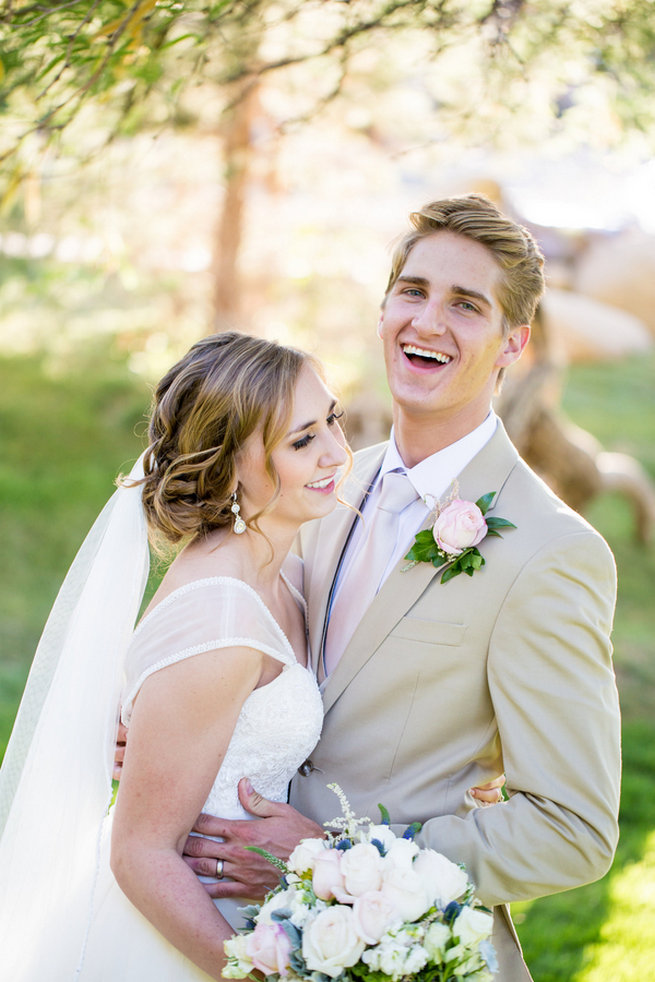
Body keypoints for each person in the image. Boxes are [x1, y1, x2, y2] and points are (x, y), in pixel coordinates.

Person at [182, 195, 622, 982]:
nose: (427, 322)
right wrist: (166, 727)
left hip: (404, 955)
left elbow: (572, 828)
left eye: (465, 305)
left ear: (510, 344)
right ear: (384, 308)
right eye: (412, 292)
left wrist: (332, 859)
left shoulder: (552, 553)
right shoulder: (315, 483)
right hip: (236, 931)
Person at [0, 332, 350, 980]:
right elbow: (139, 853)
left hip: (260, 913)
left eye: (333, 419)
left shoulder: (282, 573)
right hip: (178, 942)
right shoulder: (223, 615)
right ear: (230, 465)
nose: (336, 451)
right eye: (302, 440)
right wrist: (254, 975)